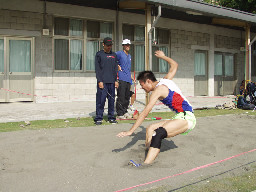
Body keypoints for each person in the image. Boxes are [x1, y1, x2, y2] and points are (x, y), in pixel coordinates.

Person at [117, 50, 196, 166]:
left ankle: (145, 164)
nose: (142, 88)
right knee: (150, 128)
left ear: (148, 81)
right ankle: (149, 151)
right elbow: (174, 65)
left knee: (158, 133)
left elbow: (144, 113)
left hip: (187, 118)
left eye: (142, 85)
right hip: (179, 116)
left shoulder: (158, 90)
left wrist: (130, 131)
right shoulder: (165, 80)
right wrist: (164, 57)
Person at [94, 37, 119, 125]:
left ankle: (111, 117)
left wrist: (116, 80)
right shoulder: (99, 54)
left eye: (110, 45)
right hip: (103, 82)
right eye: (107, 45)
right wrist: (99, 81)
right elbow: (97, 69)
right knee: (101, 100)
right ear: (103, 44)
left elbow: (115, 69)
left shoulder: (114, 55)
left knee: (112, 101)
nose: (109, 47)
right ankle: (98, 118)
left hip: (112, 82)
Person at [116, 39, 135, 119]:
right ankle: (120, 113)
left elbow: (128, 68)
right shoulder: (119, 53)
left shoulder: (129, 56)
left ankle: (125, 111)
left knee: (127, 96)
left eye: (129, 45)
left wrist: (132, 77)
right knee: (121, 96)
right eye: (126, 45)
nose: (128, 46)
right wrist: (116, 65)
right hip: (121, 78)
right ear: (123, 45)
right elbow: (111, 58)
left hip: (128, 79)